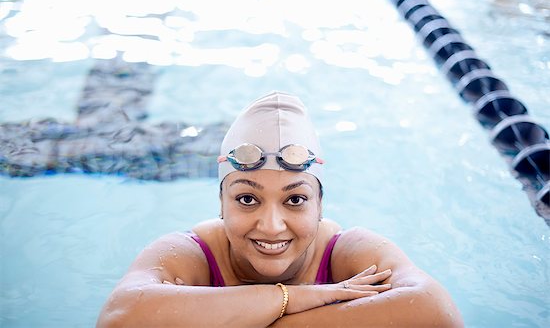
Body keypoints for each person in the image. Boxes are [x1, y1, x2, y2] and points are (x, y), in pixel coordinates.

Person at [97, 91, 463, 327]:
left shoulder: (348, 252)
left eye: (295, 200)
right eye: (247, 199)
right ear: (220, 204)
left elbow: (435, 311)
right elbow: (119, 318)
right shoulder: (191, 254)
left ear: (320, 206)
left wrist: (229, 316)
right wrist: (298, 298)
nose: (271, 226)